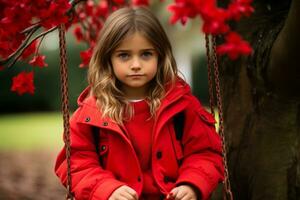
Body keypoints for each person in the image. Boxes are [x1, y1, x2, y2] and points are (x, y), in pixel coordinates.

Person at [55, 7, 224, 200]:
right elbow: (77, 163)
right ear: (108, 58)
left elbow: (206, 153)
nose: (136, 64)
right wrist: (105, 189)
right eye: (124, 55)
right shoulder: (91, 113)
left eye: (146, 54)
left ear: (160, 56)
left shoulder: (183, 106)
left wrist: (192, 183)